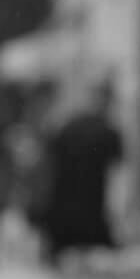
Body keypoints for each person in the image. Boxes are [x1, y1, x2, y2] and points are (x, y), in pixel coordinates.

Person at [39, 73, 124, 260]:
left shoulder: (66, 128)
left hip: (61, 220)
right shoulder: (110, 134)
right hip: (94, 221)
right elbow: (118, 181)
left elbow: (48, 172)